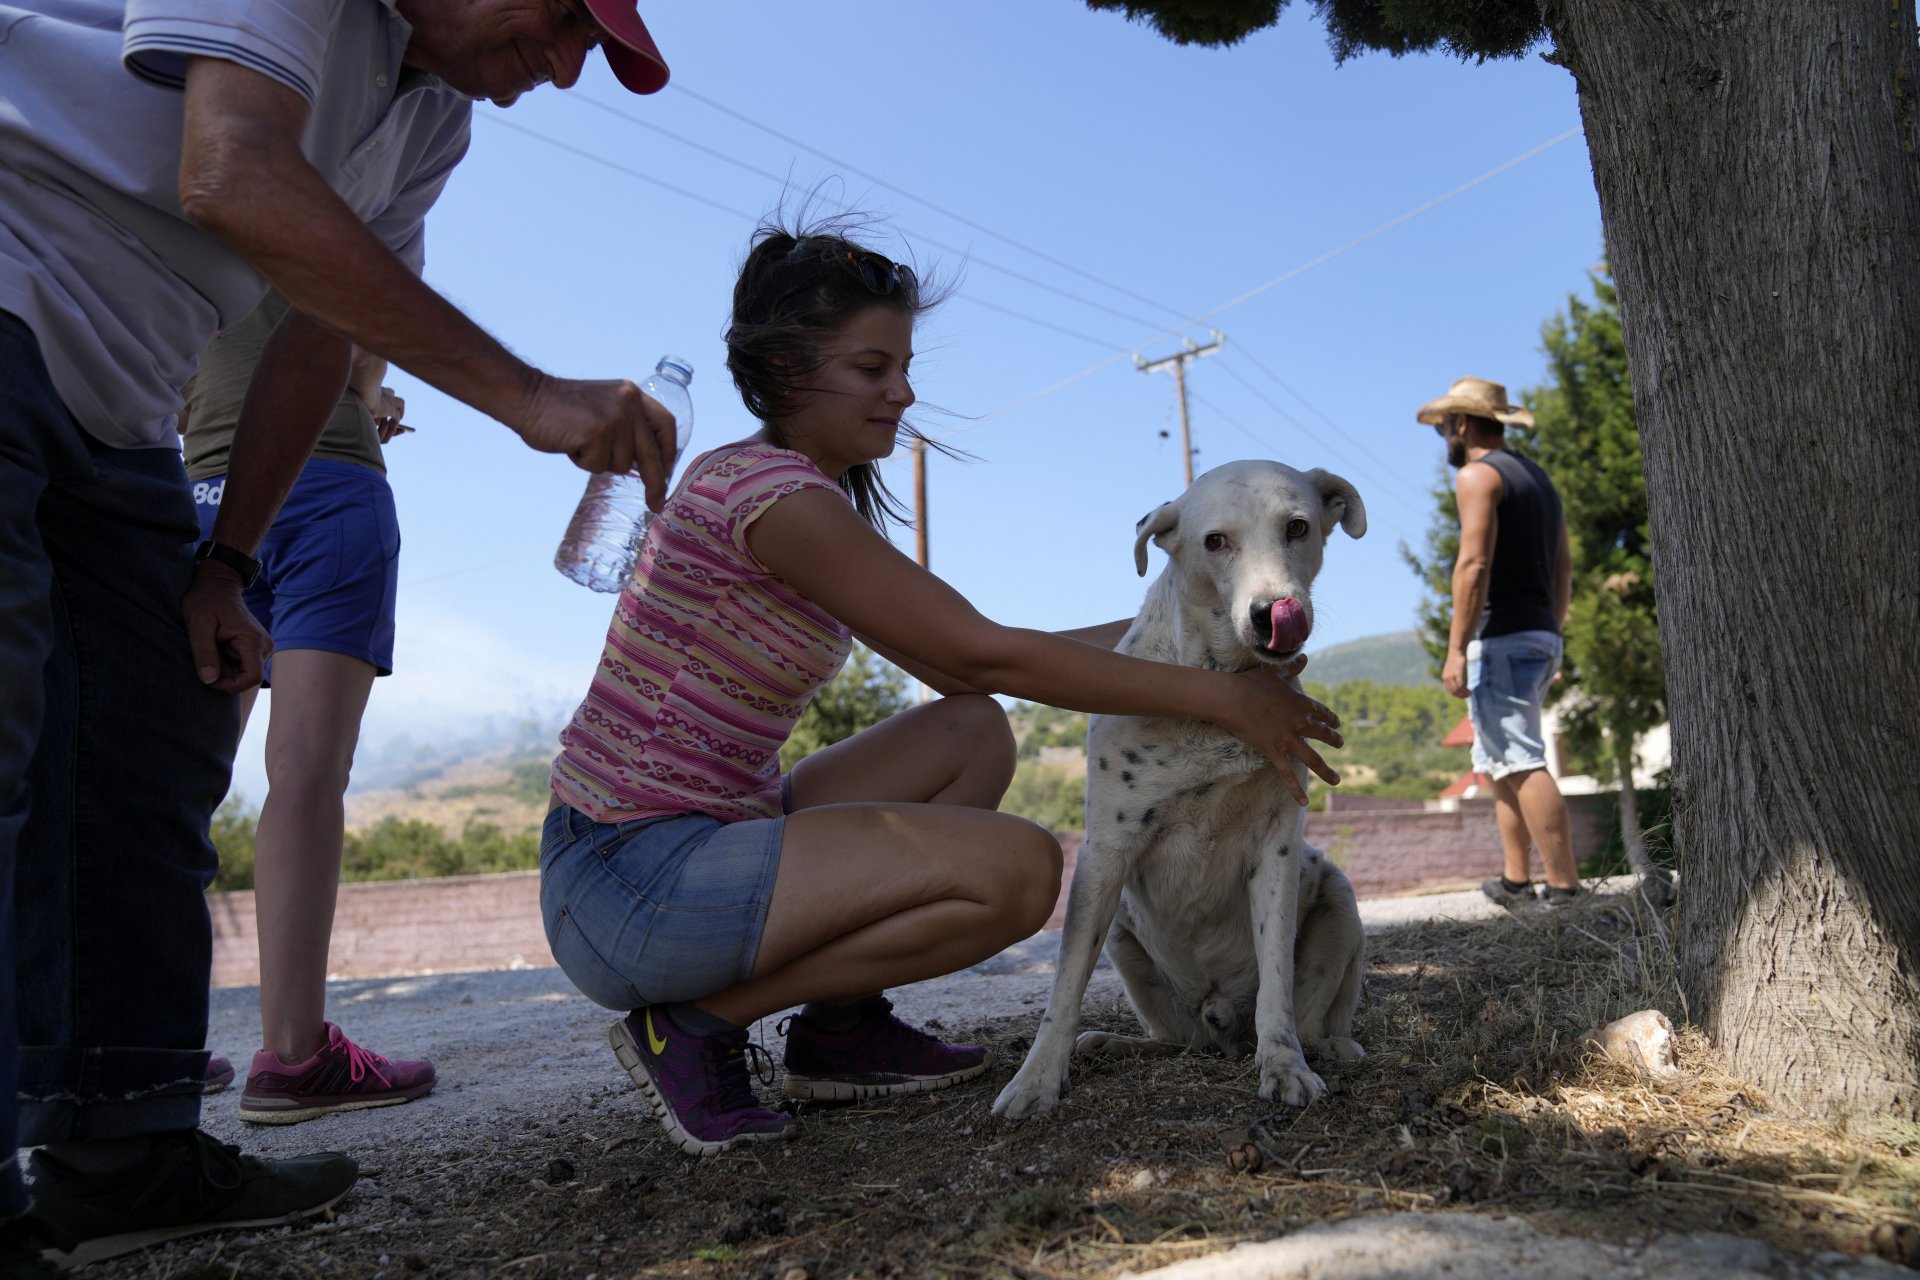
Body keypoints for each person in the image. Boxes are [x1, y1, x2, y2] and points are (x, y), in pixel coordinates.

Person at [1, 0, 681, 1268]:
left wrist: (229, 558)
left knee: (150, 763)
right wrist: (527, 393)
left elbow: (321, 340)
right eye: (563, 16)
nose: (566, 61)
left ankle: (119, 1149)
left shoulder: (431, 117)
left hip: (123, 415)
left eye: (597, 47)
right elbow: (232, 165)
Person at [540, 222, 1346, 1157]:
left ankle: (840, 1029)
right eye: (873, 367)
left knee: (970, 734)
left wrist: (1218, 641)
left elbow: (989, 665)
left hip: (700, 830)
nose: (904, 391)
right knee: (1018, 872)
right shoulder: (772, 497)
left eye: (904, 365)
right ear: (787, 371)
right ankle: (691, 1027)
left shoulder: (802, 492)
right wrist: (1227, 701)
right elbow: (977, 655)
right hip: (626, 877)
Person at [182, 291, 436, 1123]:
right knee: (303, 772)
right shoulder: (351, 198)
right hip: (326, 481)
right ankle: (293, 1057)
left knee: (169, 785)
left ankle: (145, 1052)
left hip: (199, 499)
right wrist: (371, 405)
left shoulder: (168, 192)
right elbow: (353, 361)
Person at [1416, 376, 1583, 909]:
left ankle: (1564, 889)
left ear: (1461, 424)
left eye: (1445, 427)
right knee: (1496, 764)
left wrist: (1456, 647)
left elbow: (1473, 565)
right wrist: (1552, 632)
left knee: (1520, 760)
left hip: (1502, 636)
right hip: (1538, 633)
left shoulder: (1478, 476)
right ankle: (1516, 881)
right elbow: (1564, 564)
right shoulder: (1538, 479)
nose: (1444, 437)